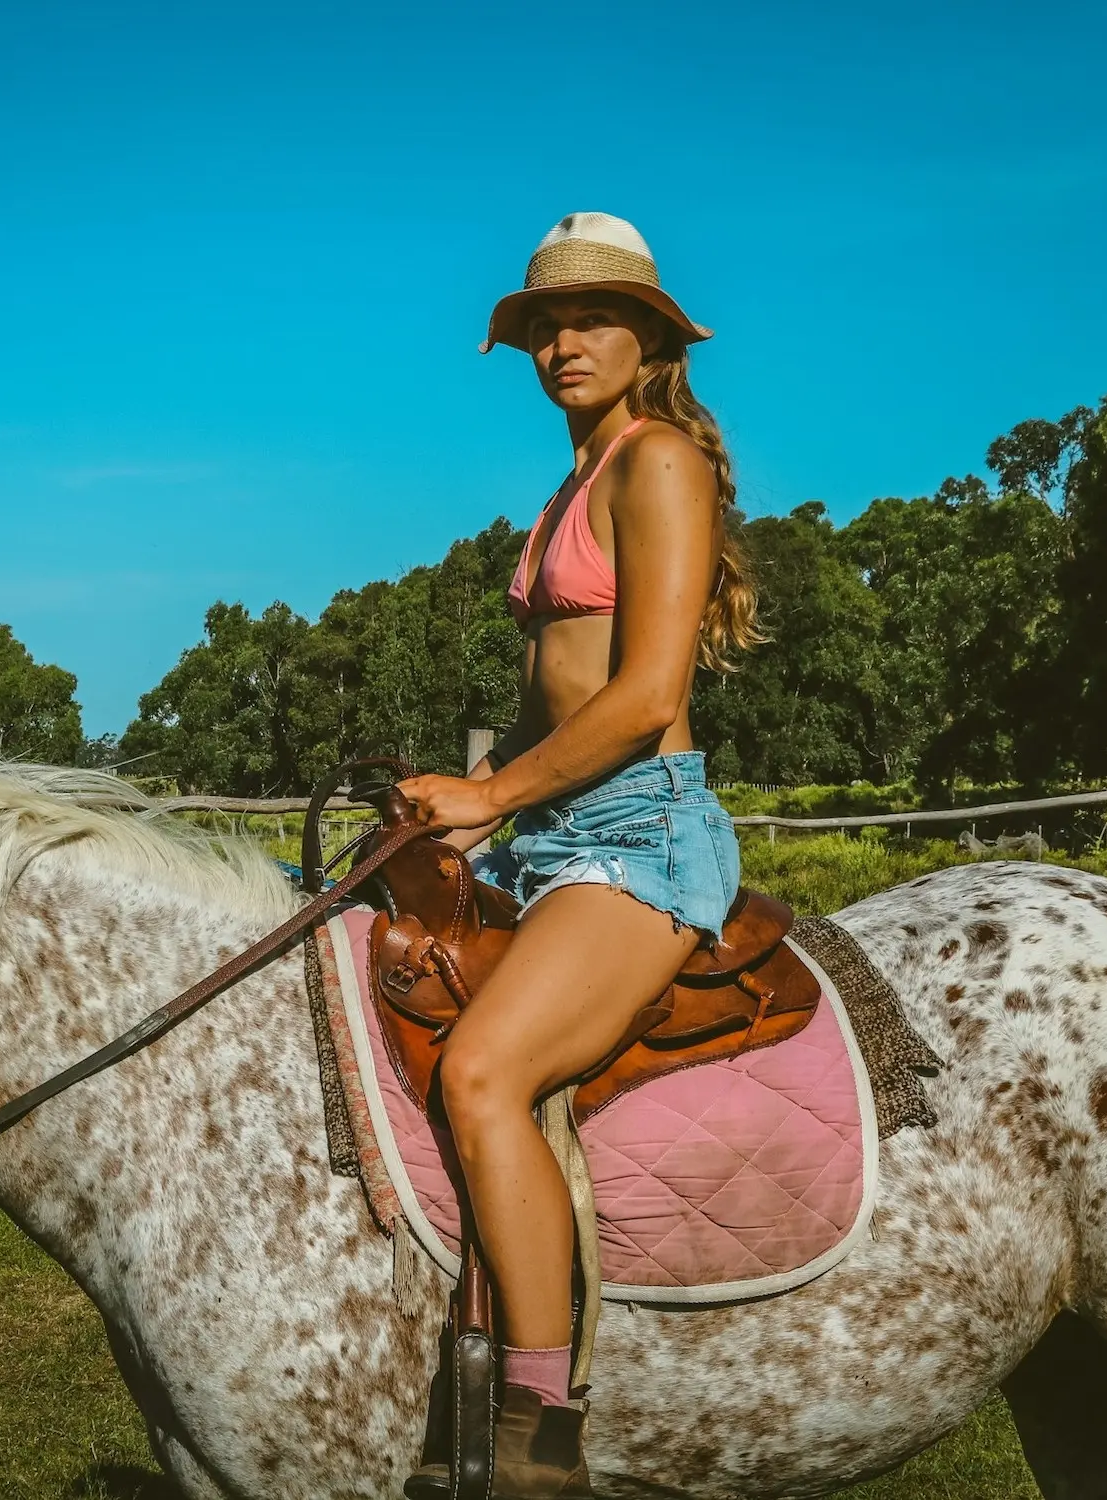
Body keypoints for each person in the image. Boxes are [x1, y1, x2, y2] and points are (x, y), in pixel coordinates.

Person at [397, 212, 762, 1498]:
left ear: (650, 336)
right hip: (556, 829)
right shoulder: (578, 473)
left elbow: (642, 691)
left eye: (590, 318)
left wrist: (487, 793)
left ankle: (537, 1434)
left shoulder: (653, 460)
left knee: (488, 1071)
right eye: (543, 323)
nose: (561, 341)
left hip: (639, 830)